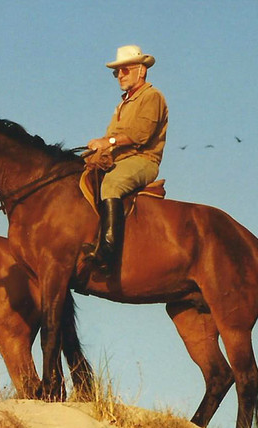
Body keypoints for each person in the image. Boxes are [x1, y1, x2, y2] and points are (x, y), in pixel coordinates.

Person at [84, 45, 168, 275]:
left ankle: (108, 253)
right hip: (119, 160)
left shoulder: (152, 97)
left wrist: (108, 143)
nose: (120, 76)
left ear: (141, 71)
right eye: (116, 72)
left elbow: (141, 134)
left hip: (143, 160)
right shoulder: (122, 103)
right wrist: (97, 145)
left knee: (111, 184)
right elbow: (112, 136)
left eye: (125, 70)